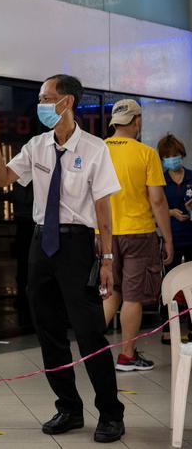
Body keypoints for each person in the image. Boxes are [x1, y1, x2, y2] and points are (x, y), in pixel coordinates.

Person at [0, 74, 126, 443]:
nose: (41, 103)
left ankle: (110, 412)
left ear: (67, 102)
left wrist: (106, 259)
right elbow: (1, 177)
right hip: (41, 244)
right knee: (48, 332)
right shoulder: (37, 145)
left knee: (89, 331)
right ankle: (69, 407)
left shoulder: (94, 149)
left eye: (47, 97)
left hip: (77, 245)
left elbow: (103, 211)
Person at [101, 99, 173, 370]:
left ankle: (92, 350)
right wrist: (168, 237)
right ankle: (127, 355)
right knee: (132, 295)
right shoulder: (145, 153)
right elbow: (157, 201)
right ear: (137, 121)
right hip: (138, 233)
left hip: (104, 233)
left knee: (111, 292)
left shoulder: (99, 150)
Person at [158, 134, 192, 343]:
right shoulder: (160, 181)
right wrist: (170, 212)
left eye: (176, 155)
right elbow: (154, 209)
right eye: (168, 156)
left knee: (191, 284)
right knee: (168, 284)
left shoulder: (191, 177)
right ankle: (167, 328)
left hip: (191, 235)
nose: (173, 159)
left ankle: (191, 326)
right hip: (172, 238)